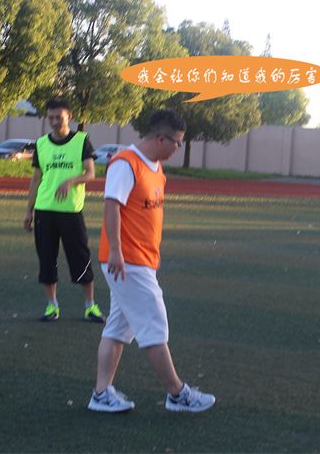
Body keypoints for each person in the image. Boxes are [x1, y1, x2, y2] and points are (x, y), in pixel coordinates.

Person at [88, 110, 215, 414]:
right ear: (160, 138)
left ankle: (101, 394)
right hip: (127, 261)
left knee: (118, 328)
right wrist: (116, 250)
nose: (178, 148)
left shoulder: (155, 167)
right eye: (177, 142)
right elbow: (111, 206)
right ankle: (177, 392)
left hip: (141, 259)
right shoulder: (126, 164)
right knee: (154, 325)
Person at [23, 98, 105, 323]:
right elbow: (36, 179)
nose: (54, 121)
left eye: (59, 117)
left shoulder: (81, 140)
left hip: (70, 211)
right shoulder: (41, 144)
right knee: (46, 259)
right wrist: (28, 211)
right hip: (44, 210)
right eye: (50, 117)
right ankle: (52, 306)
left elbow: (90, 173)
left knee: (80, 258)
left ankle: (90, 306)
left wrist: (71, 181)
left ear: (69, 116)